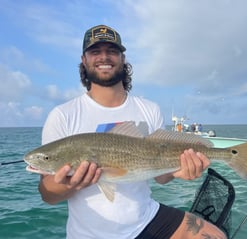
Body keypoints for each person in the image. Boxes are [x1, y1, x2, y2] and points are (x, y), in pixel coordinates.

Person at [38, 24, 226, 239]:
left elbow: (160, 177)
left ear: (122, 58)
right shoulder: (62, 115)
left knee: (216, 236)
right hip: (90, 234)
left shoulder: (149, 109)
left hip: (147, 218)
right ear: (84, 59)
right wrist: (69, 184)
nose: (104, 57)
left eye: (112, 51)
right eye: (95, 51)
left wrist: (178, 171)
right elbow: (48, 196)